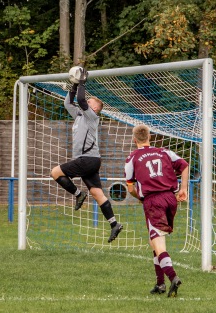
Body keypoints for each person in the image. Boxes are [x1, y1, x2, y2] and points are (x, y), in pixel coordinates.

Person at [50, 67, 123, 243]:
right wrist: (73, 86)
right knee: (98, 194)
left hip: (87, 159)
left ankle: (78, 194)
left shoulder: (92, 117)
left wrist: (82, 81)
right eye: (88, 102)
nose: (86, 103)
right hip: (91, 161)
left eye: (91, 103)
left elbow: (81, 100)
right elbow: (69, 103)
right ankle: (114, 224)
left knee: (55, 172)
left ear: (95, 109)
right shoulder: (79, 115)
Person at [125, 124, 189, 298]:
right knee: (154, 240)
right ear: (150, 137)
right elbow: (184, 165)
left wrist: (140, 198)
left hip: (154, 201)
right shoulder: (164, 152)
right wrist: (184, 189)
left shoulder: (132, 157)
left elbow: (130, 187)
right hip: (170, 198)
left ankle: (172, 277)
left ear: (134, 139)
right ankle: (160, 284)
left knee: (158, 243)